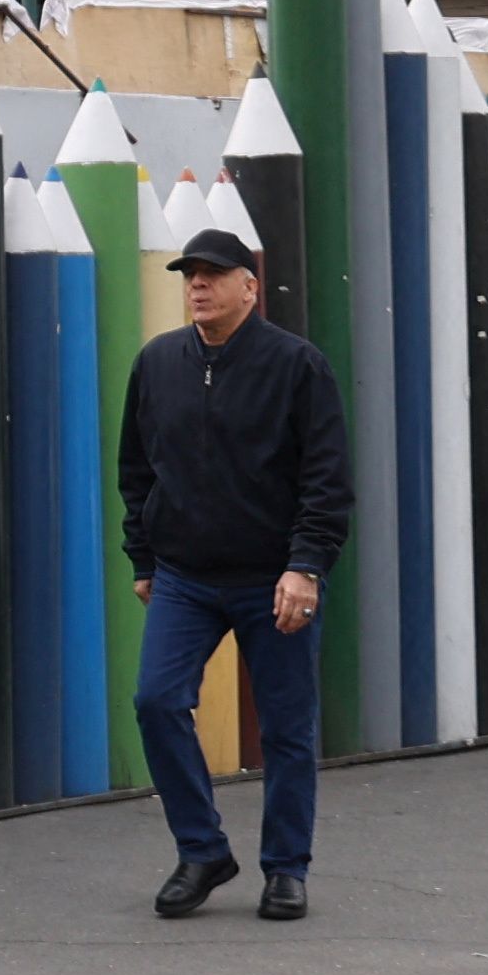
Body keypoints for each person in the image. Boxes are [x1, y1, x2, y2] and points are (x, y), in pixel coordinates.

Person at [119, 222, 349, 922]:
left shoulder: (297, 365)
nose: (198, 285)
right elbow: (136, 466)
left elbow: (326, 477)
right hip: (185, 576)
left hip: (272, 577)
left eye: (214, 275)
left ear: (250, 288)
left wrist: (305, 566)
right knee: (157, 702)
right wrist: (144, 555)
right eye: (190, 275)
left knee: (286, 726)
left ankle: (286, 868)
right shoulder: (158, 363)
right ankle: (202, 851)